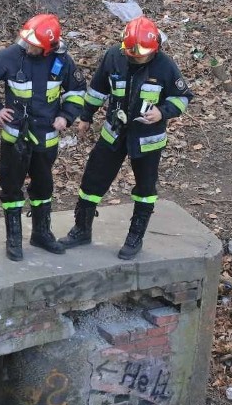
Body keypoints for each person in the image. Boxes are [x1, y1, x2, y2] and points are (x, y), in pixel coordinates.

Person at [59, 16, 193, 259]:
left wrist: (162, 112)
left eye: (140, 54)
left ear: (155, 49)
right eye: (130, 52)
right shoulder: (114, 56)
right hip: (114, 132)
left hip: (147, 138)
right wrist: (86, 116)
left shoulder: (165, 66)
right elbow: (98, 89)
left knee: (145, 188)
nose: (134, 56)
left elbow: (182, 98)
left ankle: (135, 236)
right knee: (92, 180)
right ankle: (81, 228)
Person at [0, 14, 86, 261]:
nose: (28, 46)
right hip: (16, 136)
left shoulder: (62, 61)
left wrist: (66, 116)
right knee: (11, 186)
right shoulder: (11, 56)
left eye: (34, 44)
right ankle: (14, 238)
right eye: (27, 41)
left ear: (48, 47)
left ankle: (41, 233)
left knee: (43, 185)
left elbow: (77, 91)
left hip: (47, 136)